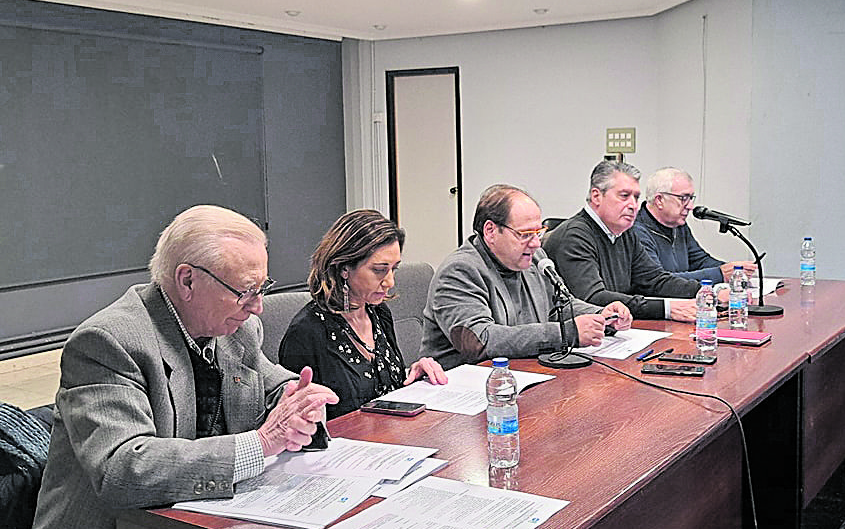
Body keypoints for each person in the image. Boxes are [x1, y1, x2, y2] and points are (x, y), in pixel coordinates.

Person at [6, 205, 338, 529]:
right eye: (245, 291)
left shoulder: (238, 328)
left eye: (262, 288)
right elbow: (122, 467)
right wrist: (262, 443)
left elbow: (267, 381)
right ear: (187, 280)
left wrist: (296, 398)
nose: (257, 306)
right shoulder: (108, 342)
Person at [420, 184, 632, 369]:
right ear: (491, 231)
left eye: (538, 232)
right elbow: (480, 340)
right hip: (462, 395)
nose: (536, 243)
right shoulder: (459, 271)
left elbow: (559, 305)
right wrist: (567, 333)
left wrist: (602, 317)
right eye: (525, 234)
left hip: (522, 377)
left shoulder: (534, 258)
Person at [279, 209, 448, 421]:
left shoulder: (378, 312)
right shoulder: (306, 333)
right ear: (344, 268)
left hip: (390, 439)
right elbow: (293, 418)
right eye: (379, 270)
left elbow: (381, 392)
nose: (390, 282)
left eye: (394, 269)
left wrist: (412, 376)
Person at [544, 161, 714, 322]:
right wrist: (667, 309)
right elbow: (592, 298)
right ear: (596, 196)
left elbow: (654, 280)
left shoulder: (625, 233)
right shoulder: (574, 236)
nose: (633, 205)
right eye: (624, 196)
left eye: (636, 197)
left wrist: (704, 292)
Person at [634, 167, 756, 284]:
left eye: (691, 198)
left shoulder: (679, 226)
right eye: (683, 198)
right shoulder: (637, 232)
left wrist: (735, 271)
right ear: (659, 200)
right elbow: (659, 281)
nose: (690, 206)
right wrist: (720, 274)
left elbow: (700, 261)